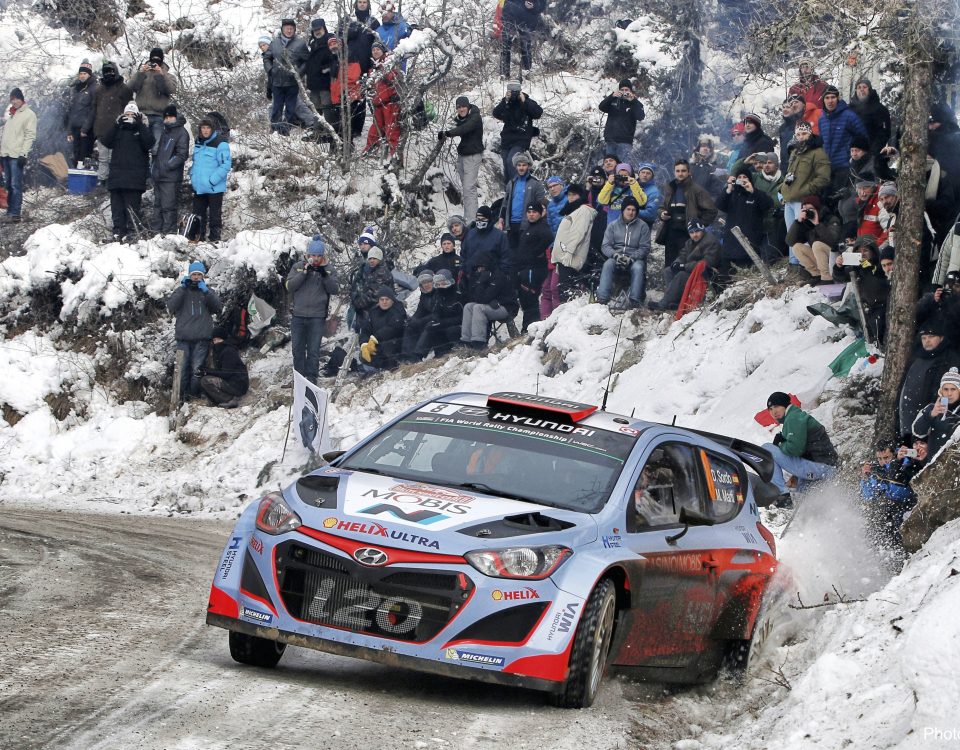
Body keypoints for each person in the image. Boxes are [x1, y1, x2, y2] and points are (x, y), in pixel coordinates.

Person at [762, 391, 838, 504]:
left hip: (822, 467)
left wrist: (780, 444)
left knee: (766, 449)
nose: (774, 412)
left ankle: (781, 494)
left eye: (776, 406)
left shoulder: (793, 417)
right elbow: (806, 450)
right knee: (804, 500)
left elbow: (795, 449)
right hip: (825, 469)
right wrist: (796, 476)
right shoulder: (795, 417)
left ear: (785, 405)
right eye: (770, 409)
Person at [167, 261, 223, 402]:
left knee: (197, 369)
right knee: (182, 369)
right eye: (194, 274)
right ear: (189, 275)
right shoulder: (182, 290)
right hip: (183, 338)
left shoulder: (207, 291)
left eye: (199, 274)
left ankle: (193, 397)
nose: (196, 277)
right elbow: (171, 306)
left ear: (203, 276)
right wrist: (182, 288)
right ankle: (181, 399)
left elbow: (218, 307)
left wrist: (207, 292)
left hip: (202, 337)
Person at [287, 237, 340, 384]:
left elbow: (335, 289)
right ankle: (299, 378)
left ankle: (311, 378)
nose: (315, 259)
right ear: (307, 254)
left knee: (313, 350)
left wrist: (324, 275)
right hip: (298, 315)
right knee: (297, 349)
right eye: (313, 255)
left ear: (323, 256)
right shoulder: (298, 266)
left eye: (318, 256)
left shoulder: (329, 269)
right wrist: (303, 273)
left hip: (317, 316)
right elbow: (289, 286)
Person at [100, 101, 154, 241]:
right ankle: (118, 233)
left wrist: (140, 125)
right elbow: (105, 141)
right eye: (127, 114)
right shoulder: (118, 129)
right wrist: (116, 125)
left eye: (132, 115)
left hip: (134, 178)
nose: (129, 117)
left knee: (132, 210)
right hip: (117, 177)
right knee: (117, 210)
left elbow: (149, 143)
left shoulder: (142, 129)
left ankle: (132, 234)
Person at [781, 121, 831, 266]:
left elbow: (823, 178)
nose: (801, 137)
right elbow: (789, 175)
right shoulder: (794, 151)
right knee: (791, 233)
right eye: (798, 134)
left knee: (803, 233)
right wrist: (782, 190)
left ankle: (807, 266)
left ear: (810, 134)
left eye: (804, 134)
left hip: (804, 200)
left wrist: (806, 191)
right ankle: (794, 264)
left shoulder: (818, 152)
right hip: (789, 199)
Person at [898, 322, 960, 438]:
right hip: (915, 425)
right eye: (924, 338)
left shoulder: (951, 360)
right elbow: (905, 392)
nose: (927, 341)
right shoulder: (916, 360)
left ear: (941, 338)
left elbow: (949, 395)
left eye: (931, 337)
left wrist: (936, 419)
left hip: (936, 426)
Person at [655, 159, 718, 268]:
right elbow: (662, 207)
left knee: (684, 265)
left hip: (687, 234)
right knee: (669, 265)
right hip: (670, 231)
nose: (680, 174)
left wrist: (698, 225)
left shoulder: (697, 190)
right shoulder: (670, 187)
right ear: (674, 172)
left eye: (683, 171)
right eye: (678, 171)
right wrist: (662, 214)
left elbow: (712, 211)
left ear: (689, 172)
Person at [651, 220, 721, 312]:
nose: (694, 235)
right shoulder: (689, 242)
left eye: (697, 231)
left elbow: (707, 263)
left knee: (681, 275)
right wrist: (676, 263)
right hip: (692, 271)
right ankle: (675, 301)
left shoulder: (711, 241)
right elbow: (682, 255)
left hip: (705, 274)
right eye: (691, 232)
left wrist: (684, 266)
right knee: (668, 271)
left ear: (702, 230)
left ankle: (665, 303)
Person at [832, 235, 889, 343]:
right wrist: (839, 266)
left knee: (879, 329)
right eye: (859, 251)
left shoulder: (882, 264)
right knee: (873, 330)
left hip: (884, 305)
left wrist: (871, 266)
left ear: (873, 251)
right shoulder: (857, 267)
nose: (862, 254)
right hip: (869, 308)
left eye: (866, 250)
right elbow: (840, 277)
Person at [716, 166, 773, 271]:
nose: (742, 179)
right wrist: (728, 189)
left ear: (750, 179)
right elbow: (719, 205)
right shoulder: (732, 193)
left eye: (745, 177)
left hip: (750, 241)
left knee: (748, 270)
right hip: (731, 241)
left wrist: (753, 191)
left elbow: (768, 205)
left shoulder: (755, 193)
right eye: (739, 177)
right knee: (729, 272)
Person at [597, 197, 650, 308]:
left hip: (634, 259)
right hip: (616, 257)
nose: (631, 212)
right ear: (623, 210)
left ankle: (635, 300)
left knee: (638, 267)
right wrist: (615, 255)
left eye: (633, 210)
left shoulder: (643, 226)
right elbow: (605, 245)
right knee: (608, 264)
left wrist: (632, 257)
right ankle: (602, 298)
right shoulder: (613, 225)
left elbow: (645, 247)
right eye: (628, 209)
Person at [818, 85, 868, 202]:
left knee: (841, 201)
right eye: (827, 98)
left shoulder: (849, 116)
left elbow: (863, 137)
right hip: (827, 167)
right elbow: (822, 142)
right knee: (826, 201)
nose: (830, 101)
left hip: (844, 166)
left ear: (838, 99)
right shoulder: (822, 119)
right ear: (823, 100)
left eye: (833, 97)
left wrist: (853, 154)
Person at [460, 252, 519, 349]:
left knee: (478, 308)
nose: (479, 270)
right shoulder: (480, 277)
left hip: (506, 307)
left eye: (482, 267)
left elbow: (485, 297)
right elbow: (474, 296)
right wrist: (480, 283)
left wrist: (481, 284)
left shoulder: (498, 276)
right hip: (491, 305)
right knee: (468, 307)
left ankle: (478, 342)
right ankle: (466, 340)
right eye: (478, 268)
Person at [439, 96, 484, 222]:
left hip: (473, 156)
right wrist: (443, 132)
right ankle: (469, 217)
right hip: (462, 156)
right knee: (466, 189)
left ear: (468, 106)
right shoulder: (460, 119)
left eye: (463, 106)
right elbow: (453, 125)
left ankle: (472, 221)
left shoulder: (475, 117)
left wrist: (448, 133)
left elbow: (465, 128)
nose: (461, 109)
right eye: (458, 107)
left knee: (469, 188)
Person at [403, 270, 463, 360]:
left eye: (428, 282)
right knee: (410, 327)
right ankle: (407, 355)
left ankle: (418, 355)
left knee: (431, 326)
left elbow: (441, 314)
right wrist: (412, 321)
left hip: (448, 323)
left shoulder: (440, 293)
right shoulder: (424, 296)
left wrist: (421, 321)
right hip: (438, 321)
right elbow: (420, 312)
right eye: (424, 283)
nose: (426, 285)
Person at [189, 115, 231, 243]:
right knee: (198, 216)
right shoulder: (198, 142)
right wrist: (193, 177)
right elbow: (195, 163)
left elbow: (225, 165)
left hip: (214, 188)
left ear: (212, 129)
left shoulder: (221, 143)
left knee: (215, 217)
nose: (205, 130)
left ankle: (215, 240)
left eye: (208, 128)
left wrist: (212, 181)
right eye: (203, 128)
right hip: (199, 187)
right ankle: (198, 239)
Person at [552, 182, 597, 300]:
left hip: (571, 256)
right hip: (564, 256)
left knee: (567, 291)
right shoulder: (572, 210)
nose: (571, 197)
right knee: (563, 290)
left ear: (580, 195)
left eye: (574, 195)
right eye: (569, 195)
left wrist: (569, 252)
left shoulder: (583, 210)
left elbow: (578, 233)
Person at [492, 81, 542, 182]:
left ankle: (517, 186)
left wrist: (525, 101)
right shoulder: (507, 103)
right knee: (506, 165)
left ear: (520, 91)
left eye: (516, 91)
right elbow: (496, 113)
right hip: (507, 140)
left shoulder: (527, 101)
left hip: (521, 139)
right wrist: (505, 100)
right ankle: (509, 188)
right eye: (511, 91)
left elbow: (538, 113)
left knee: (512, 161)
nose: (514, 94)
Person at [266, 19, 309, 136]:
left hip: (292, 82)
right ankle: (275, 129)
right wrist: (270, 70)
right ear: (282, 30)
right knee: (276, 107)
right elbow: (267, 58)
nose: (289, 31)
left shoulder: (300, 43)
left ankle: (286, 130)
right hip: (277, 81)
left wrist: (298, 73)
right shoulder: (275, 43)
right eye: (286, 28)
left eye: (291, 28)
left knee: (290, 107)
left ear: (294, 30)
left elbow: (307, 60)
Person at [130, 47, 177, 153]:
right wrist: (140, 73)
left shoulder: (168, 75)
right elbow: (130, 87)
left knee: (156, 148)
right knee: (139, 146)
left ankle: (154, 163)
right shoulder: (143, 73)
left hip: (158, 116)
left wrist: (162, 74)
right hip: (142, 115)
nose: (155, 62)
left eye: (158, 60)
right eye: (153, 59)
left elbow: (171, 89)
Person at [92, 61, 133, 183]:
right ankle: (102, 180)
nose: (109, 74)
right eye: (106, 72)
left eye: (111, 71)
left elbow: (130, 108)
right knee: (103, 158)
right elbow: (94, 109)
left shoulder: (124, 88)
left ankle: (113, 180)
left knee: (114, 158)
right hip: (101, 129)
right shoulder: (99, 89)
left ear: (116, 72)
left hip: (117, 129)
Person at [514, 202, 553, 331]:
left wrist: (535, 254)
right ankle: (527, 328)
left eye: (534, 212)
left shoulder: (543, 228)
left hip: (534, 269)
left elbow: (548, 240)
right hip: (524, 269)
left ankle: (530, 328)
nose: (531, 215)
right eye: (529, 212)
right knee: (525, 301)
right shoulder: (528, 228)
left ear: (540, 213)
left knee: (531, 299)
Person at [499, 151, 545, 258]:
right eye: (519, 165)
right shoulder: (511, 183)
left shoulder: (535, 183)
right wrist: (501, 218)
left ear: (528, 166)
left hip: (527, 225)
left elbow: (542, 204)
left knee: (525, 255)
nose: (521, 168)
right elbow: (505, 203)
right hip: (511, 225)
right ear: (515, 167)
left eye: (524, 165)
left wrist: (538, 222)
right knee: (512, 256)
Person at [786, 195, 841, 285]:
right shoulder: (806, 223)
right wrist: (798, 222)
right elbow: (790, 242)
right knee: (797, 247)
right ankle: (817, 275)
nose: (808, 212)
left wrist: (817, 224)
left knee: (817, 244)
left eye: (810, 209)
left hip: (834, 258)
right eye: (805, 210)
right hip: (820, 260)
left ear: (818, 209)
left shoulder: (830, 219)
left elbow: (833, 241)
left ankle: (827, 277)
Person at [0, 88, 36, 224]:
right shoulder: (12, 115)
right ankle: (10, 212)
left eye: (16, 99)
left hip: (16, 155)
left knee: (15, 185)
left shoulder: (29, 114)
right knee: (9, 185)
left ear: (22, 99)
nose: (14, 101)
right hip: (6, 154)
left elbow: (30, 136)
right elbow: (7, 136)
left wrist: (23, 154)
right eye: (12, 99)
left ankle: (15, 214)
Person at [152, 105, 189, 235]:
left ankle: (168, 234)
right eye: (166, 117)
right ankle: (156, 234)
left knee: (168, 207)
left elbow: (182, 155)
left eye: (171, 117)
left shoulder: (181, 132)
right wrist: (155, 168)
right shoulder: (164, 131)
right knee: (157, 207)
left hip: (171, 177)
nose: (168, 119)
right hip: (159, 176)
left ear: (175, 117)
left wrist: (167, 166)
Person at [912, 368, 960, 457]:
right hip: (933, 462)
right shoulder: (932, 407)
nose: (949, 393)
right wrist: (931, 415)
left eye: (953, 389)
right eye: (946, 389)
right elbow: (918, 431)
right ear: (941, 391)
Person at [199, 326, 249, 408]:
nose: (216, 342)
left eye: (219, 339)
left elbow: (226, 373)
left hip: (237, 384)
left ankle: (229, 399)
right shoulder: (220, 351)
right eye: (214, 340)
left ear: (224, 339)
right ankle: (218, 399)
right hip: (231, 382)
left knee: (206, 381)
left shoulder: (229, 351)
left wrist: (207, 371)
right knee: (205, 379)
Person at [365, 41, 401, 155]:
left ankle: (394, 154)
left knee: (392, 129)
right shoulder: (372, 68)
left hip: (390, 103)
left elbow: (395, 79)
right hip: (378, 104)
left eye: (378, 49)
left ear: (383, 51)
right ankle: (370, 150)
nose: (375, 52)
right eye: (373, 50)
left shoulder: (389, 64)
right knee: (376, 128)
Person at [598, 79, 645, 163]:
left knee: (623, 166)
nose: (624, 92)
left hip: (625, 141)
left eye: (626, 90)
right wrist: (612, 96)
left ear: (631, 91)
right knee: (610, 165)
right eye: (622, 90)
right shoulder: (614, 100)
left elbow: (641, 116)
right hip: (611, 140)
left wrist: (633, 101)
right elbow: (601, 107)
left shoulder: (635, 103)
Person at [359, 287, 407, 370]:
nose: (384, 302)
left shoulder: (398, 309)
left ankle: (393, 367)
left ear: (392, 300)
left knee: (388, 349)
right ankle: (380, 368)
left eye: (387, 299)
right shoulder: (373, 312)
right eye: (382, 299)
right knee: (363, 355)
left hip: (396, 342)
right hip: (378, 343)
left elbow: (393, 328)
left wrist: (375, 338)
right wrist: (364, 344)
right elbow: (365, 329)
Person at [349, 246, 395, 329]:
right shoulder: (373, 270)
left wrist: (356, 302)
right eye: (370, 258)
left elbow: (373, 296)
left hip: (380, 311)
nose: (372, 260)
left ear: (379, 259)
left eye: (374, 258)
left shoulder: (381, 273)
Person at [63, 60, 97, 168]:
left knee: (84, 158)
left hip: (86, 131)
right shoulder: (76, 88)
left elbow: (94, 110)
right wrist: (69, 131)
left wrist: (85, 129)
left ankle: (83, 176)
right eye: (80, 73)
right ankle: (76, 176)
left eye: (84, 73)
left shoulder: (94, 88)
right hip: (75, 130)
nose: (82, 76)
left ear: (89, 74)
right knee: (75, 157)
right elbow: (71, 111)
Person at [499, 0, 545, 78]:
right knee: (505, 47)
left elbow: (542, 5)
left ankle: (526, 73)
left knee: (525, 47)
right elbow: (501, 3)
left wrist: (534, 5)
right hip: (509, 17)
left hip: (527, 19)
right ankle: (503, 74)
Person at [848, 79, 891, 160]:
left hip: (873, 155)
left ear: (869, 89)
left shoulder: (880, 109)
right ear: (856, 90)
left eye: (864, 87)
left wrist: (872, 152)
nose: (861, 89)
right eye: (859, 87)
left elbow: (884, 133)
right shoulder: (849, 110)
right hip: (851, 155)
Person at [463, 206, 511, 275]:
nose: (480, 221)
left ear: (489, 219)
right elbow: (463, 255)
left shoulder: (500, 236)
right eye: (478, 219)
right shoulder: (470, 234)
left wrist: (500, 274)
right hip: (472, 276)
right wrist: (465, 271)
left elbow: (505, 258)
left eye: (483, 219)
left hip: (492, 277)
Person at [304, 18, 335, 122]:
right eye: (315, 30)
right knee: (315, 109)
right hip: (313, 82)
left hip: (325, 82)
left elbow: (336, 59)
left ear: (324, 28)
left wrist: (327, 69)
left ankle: (330, 130)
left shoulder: (330, 40)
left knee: (327, 108)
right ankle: (318, 130)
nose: (317, 31)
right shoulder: (312, 42)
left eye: (319, 29)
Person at [689, 137, 725, 201]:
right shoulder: (690, 167)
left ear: (711, 150)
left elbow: (717, 192)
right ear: (698, 148)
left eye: (708, 147)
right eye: (703, 146)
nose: (705, 148)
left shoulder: (715, 169)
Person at [635, 163, 662, 227]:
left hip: (643, 227)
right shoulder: (633, 186)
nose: (645, 175)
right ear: (638, 174)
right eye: (643, 172)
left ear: (652, 176)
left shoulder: (654, 192)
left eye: (648, 173)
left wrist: (631, 210)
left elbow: (651, 214)